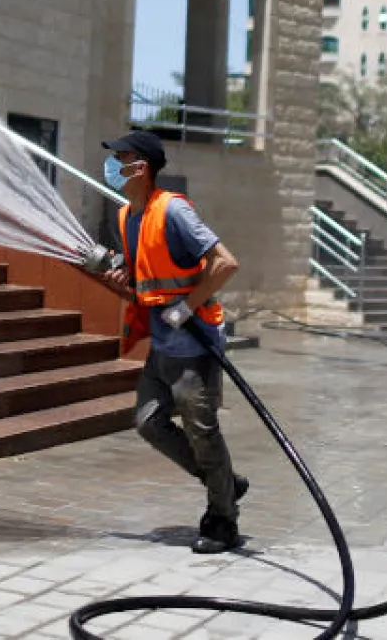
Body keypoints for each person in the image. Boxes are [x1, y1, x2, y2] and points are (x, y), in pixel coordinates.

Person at [97, 129, 249, 554]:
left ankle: (223, 521)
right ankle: (225, 484)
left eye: (119, 158)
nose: (111, 167)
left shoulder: (174, 211)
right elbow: (143, 289)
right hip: (161, 346)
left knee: (203, 433)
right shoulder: (126, 217)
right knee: (148, 422)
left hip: (194, 345)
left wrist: (187, 307)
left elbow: (225, 263)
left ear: (140, 167)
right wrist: (115, 283)